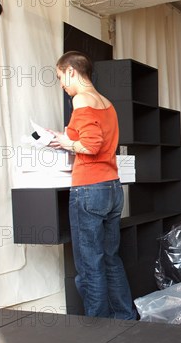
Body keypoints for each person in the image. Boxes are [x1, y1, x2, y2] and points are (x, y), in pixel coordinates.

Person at [48, 51, 136, 320]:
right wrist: (68, 136)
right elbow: (96, 138)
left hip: (89, 188)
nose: (62, 84)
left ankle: (98, 329)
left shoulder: (81, 99)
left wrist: (66, 143)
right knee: (110, 259)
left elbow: (91, 145)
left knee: (89, 265)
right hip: (111, 187)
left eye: (61, 77)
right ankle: (125, 318)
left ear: (71, 72)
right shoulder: (106, 103)